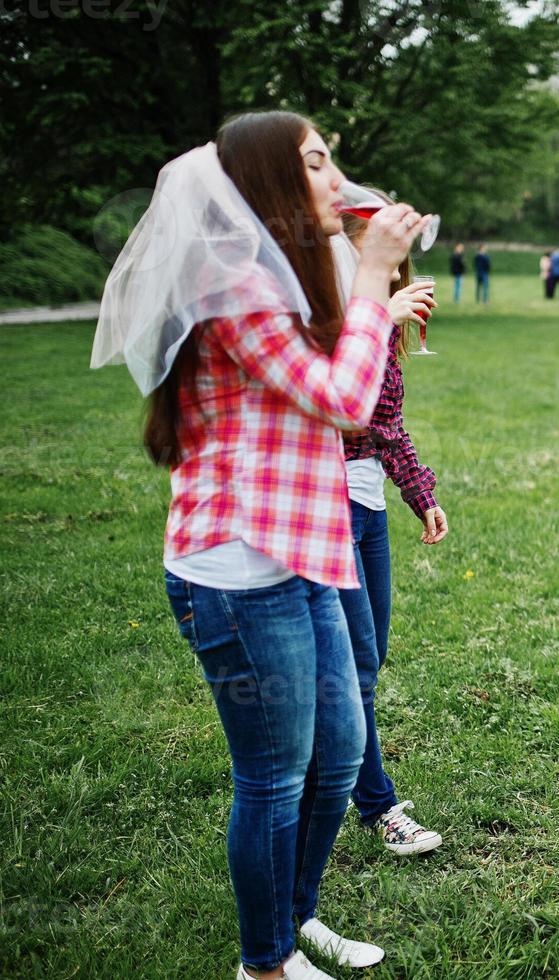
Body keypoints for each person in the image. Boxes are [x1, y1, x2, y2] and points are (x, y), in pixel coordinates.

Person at [93, 110, 428, 979]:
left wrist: (365, 289)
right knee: (275, 778)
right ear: (273, 184)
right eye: (317, 163)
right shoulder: (230, 285)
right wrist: (372, 279)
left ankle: (294, 918)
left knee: (340, 755)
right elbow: (343, 401)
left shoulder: (280, 277)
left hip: (306, 550)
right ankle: (264, 964)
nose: (336, 179)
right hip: (239, 572)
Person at [334, 200, 449, 858]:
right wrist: (377, 321)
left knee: (366, 658)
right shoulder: (332, 317)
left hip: (367, 503)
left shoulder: (378, 317)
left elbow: (386, 423)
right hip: (328, 502)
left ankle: (342, 779)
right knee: (352, 666)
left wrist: (417, 493)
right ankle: (375, 803)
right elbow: (341, 409)